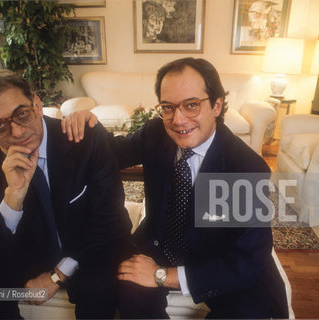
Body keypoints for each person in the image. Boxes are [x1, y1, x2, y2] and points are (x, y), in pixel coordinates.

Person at [62, 57, 289, 319]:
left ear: (217, 105)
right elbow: (111, 153)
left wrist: (163, 276)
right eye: (168, 107)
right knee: (128, 292)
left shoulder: (245, 168)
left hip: (221, 263)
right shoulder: (156, 132)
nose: (178, 120)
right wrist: (88, 125)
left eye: (191, 105)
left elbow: (247, 260)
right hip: (160, 246)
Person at [0, 70, 131, 319]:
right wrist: (13, 194)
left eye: (22, 114)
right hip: (33, 252)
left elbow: (112, 220)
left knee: (96, 291)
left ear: (37, 104)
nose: (16, 132)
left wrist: (57, 275)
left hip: (88, 249)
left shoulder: (84, 138)